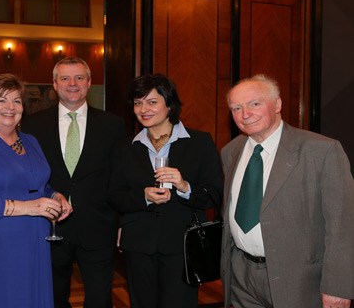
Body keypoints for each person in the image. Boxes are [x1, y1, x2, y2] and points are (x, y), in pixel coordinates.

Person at [221, 74, 354, 308]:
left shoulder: (321, 150)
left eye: (255, 104)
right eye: (237, 108)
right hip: (242, 278)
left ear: (278, 105)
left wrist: (337, 287)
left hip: (300, 283)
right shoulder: (231, 151)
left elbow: (342, 224)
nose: (245, 114)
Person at [0, 74, 73, 307]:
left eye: (16, 101)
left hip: (35, 238)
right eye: (1, 100)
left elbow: (36, 184)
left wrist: (53, 195)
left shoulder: (30, 141)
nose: (10, 107)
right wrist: (27, 207)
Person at [108, 74, 223, 308]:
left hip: (183, 245)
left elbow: (214, 195)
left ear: (169, 104)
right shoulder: (125, 147)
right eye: (138, 103)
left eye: (152, 102)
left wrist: (184, 187)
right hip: (138, 244)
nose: (143, 109)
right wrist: (143, 196)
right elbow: (115, 195)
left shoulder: (200, 143)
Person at [22, 57, 126, 308]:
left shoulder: (113, 125)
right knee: (54, 298)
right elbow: (26, 174)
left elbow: (121, 176)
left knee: (100, 299)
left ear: (89, 83)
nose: (72, 83)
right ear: (55, 85)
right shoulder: (31, 125)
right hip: (49, 226)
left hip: (98, 226)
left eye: (79, 77)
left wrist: (124, 221)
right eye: (65, 78)